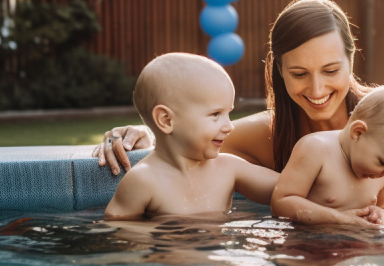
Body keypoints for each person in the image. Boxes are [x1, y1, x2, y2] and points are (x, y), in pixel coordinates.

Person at [92, 0, 384, 204]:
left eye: (331, 70)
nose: (317, 90)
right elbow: (188, 138)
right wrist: (147, 132)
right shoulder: (265, 135)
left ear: (352, 60)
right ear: (280, 72)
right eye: (300, 74)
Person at [104, 53, 279, 217]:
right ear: (166, 120)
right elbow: (122, 234)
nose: (229, 126)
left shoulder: (231, 168)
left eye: (228, 113)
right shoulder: (142, 180)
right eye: (215, 114)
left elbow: (289, 189)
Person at [271, 84, 384, 229]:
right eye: (383, 162)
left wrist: (383, 214)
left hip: (359, 246)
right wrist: (338, 218)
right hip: (312, 244)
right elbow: (281, 203)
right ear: (358, 132)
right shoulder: (315, 149)